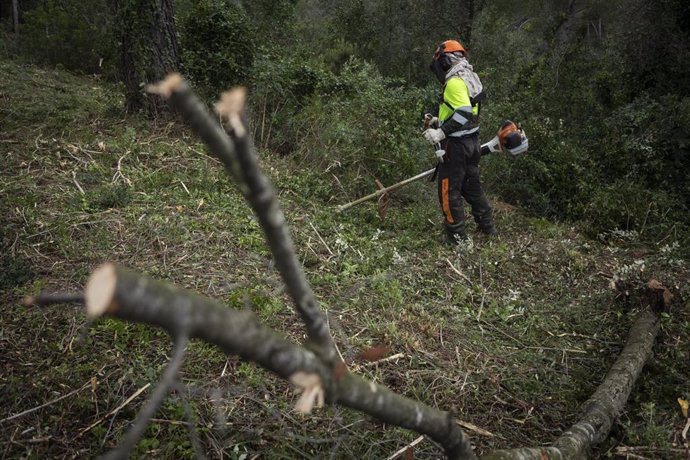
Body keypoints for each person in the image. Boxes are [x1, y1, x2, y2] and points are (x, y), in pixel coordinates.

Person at [422, 40, 496, 244]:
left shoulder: (454, 82)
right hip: (471, 142)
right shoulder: (469, 77)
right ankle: (488, 228)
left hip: (456, 147)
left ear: (445, 61)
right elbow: (468, 112)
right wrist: (439, 121)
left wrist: (440, 133)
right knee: (472, 187)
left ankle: (457, 239)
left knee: (449, 191)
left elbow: (462, 112)